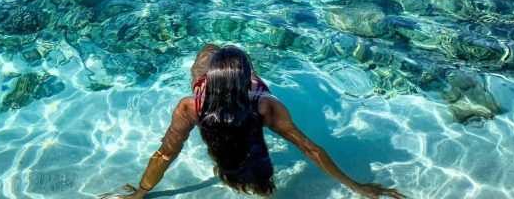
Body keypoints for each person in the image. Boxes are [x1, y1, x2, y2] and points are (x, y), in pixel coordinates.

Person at [98, 45, 405, 199]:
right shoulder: (267, 106)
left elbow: (166, 153)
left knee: (209, 49)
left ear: (206, 80)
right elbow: (310, 149)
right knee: (223, 53)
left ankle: (224, 67)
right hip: (249, 104)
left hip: (216, 104)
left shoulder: (190, 106)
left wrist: (141, 191)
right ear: (248, 81)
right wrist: (357, 186)